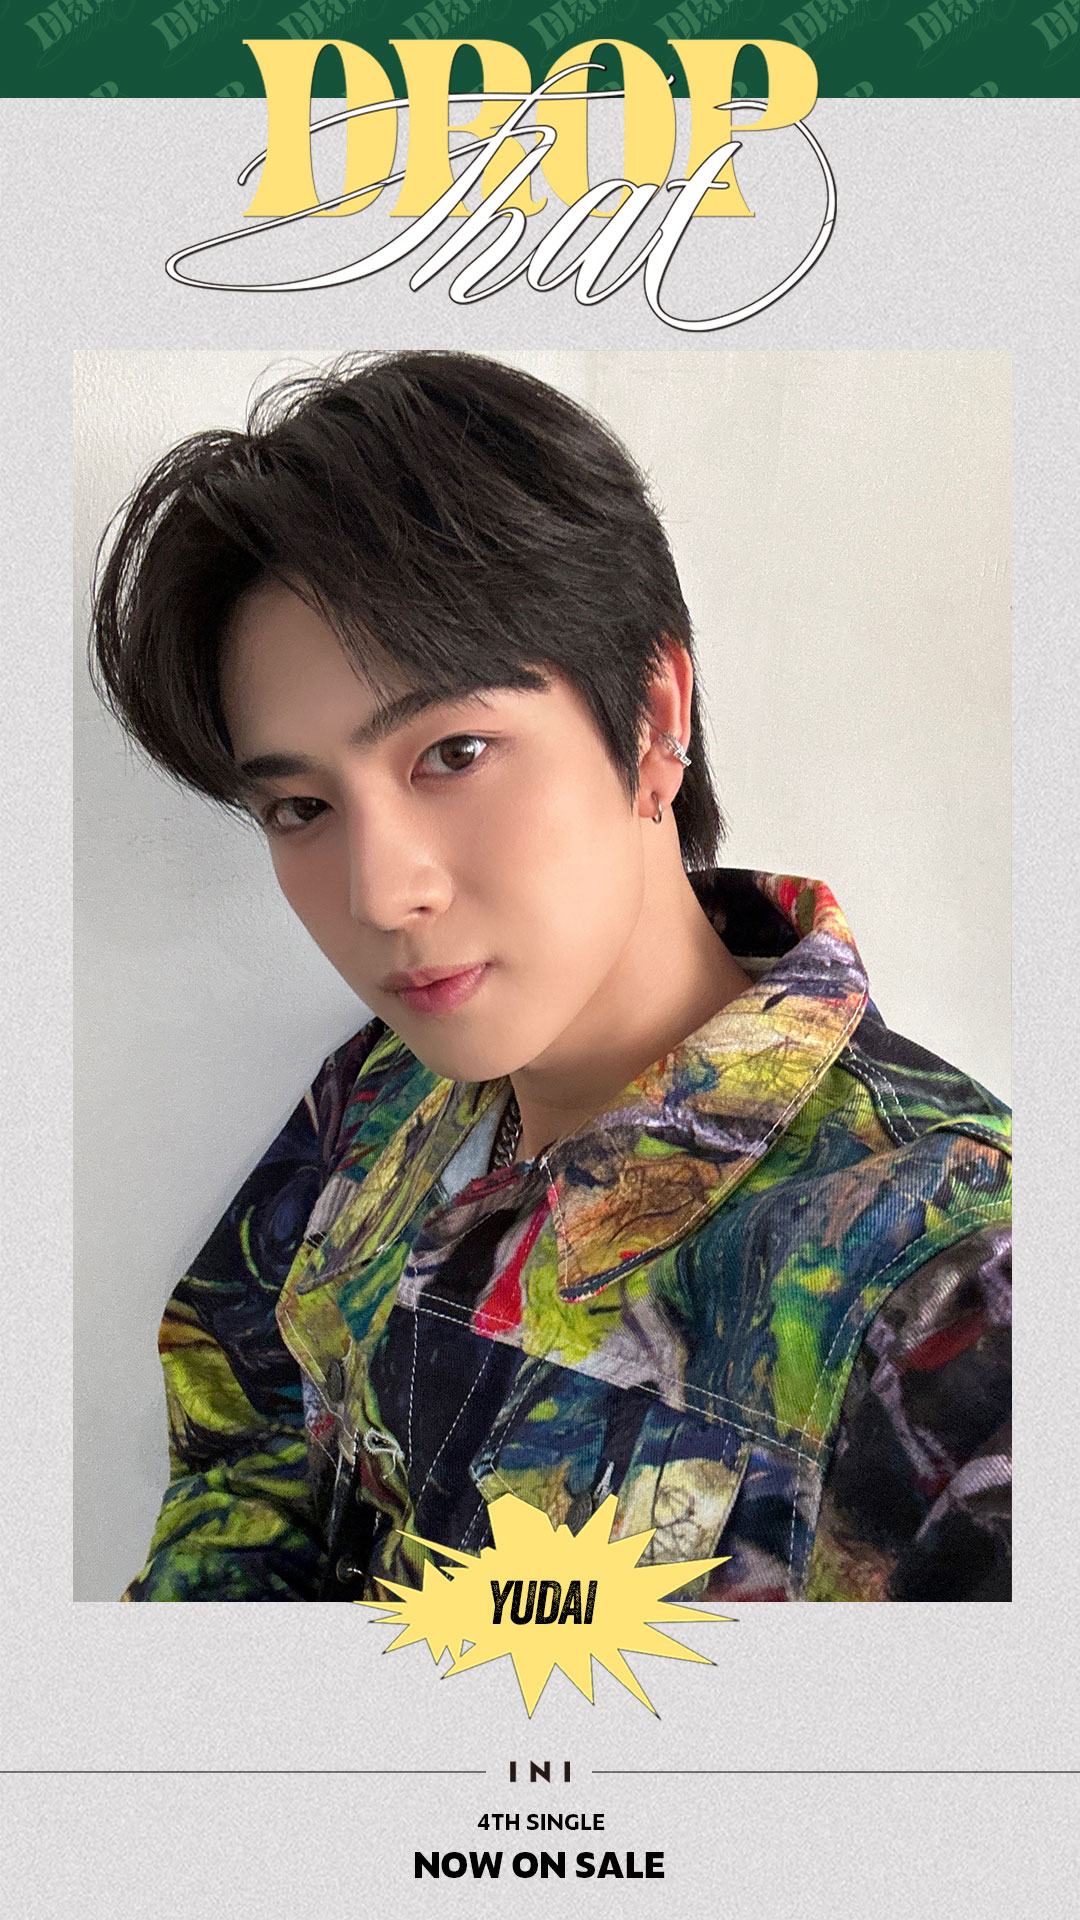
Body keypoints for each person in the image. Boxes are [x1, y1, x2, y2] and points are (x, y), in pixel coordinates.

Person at [88, 350, 1011, 1604]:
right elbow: (242, 1421)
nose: (380, 893)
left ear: (653, 716)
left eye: (455, 753)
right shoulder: (381, 1093)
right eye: (301, 807)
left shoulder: (953, 1292)